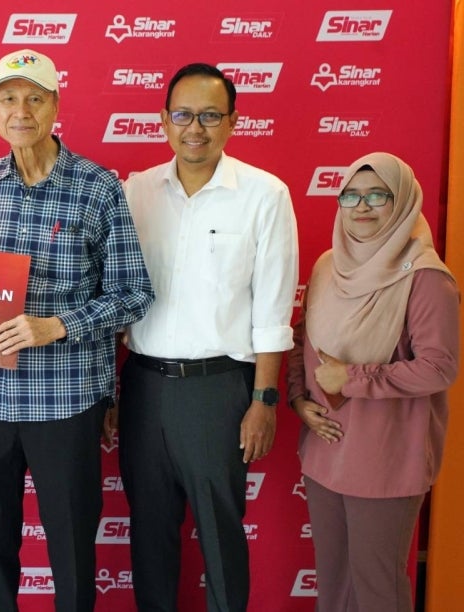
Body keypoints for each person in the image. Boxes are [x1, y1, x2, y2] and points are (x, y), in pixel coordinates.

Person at [0, 49, 154, 612]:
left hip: (66, 404)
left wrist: (57, 325)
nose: (21, 110)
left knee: (72, 553)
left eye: (35, 97)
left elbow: (135, 295)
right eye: (8, 98)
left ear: (55, 106)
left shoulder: (98, 188)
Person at [117, 62, 299, 612]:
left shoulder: (265, 195)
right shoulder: (135, 191)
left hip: (220, 390)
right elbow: (114, 296)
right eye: (183, 115)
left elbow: (272, 309)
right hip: (143, 387)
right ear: (164, 121)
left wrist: (264, 401)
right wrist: (110, 394)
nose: (195, 128)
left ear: (233, 121)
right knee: (149, 531)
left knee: (221, 532)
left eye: (210, 115)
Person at [287, 152, 459, 612]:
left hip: (386, 460)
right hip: (326, 454)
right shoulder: (328, 266)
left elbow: (439, 367)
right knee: (334, 583)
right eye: (351, 195)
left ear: (402, 201)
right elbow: (304, 338)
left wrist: (354, 377)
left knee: (377, 590)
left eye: (378, 195)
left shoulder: (425, 279)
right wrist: (300, 399)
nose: (362, 206)